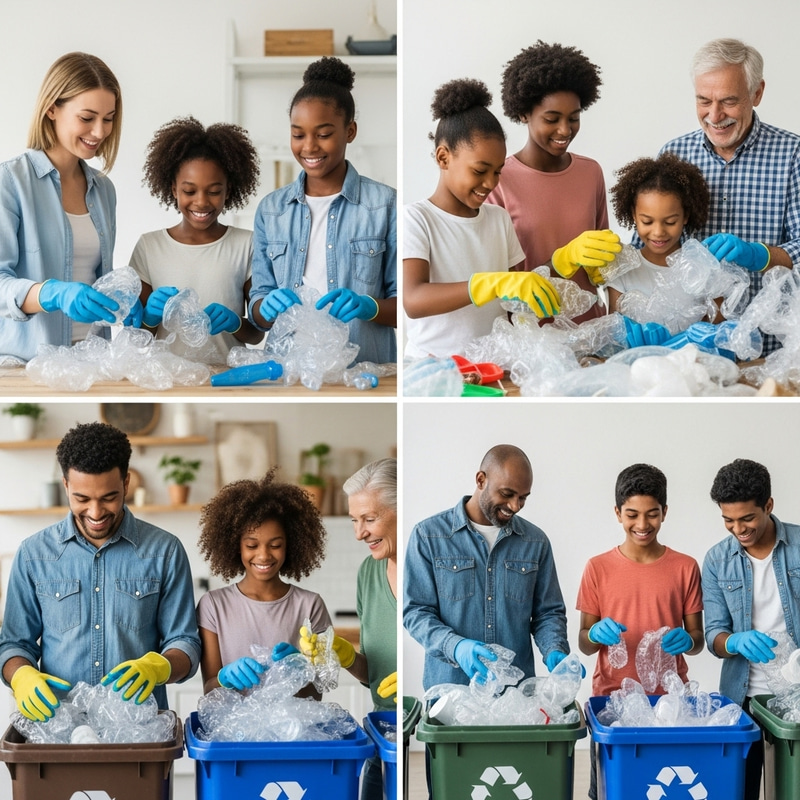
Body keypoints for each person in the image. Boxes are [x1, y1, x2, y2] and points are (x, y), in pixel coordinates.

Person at [0, 422, 200, 719]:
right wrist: (21, 676)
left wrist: (160, 666)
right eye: (82, 498)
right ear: (66, 485)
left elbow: (186, 642)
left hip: (140, 729)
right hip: (59, 727)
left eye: (108, 497)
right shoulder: (33, 555)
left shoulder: (165, 551)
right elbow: (15, 644)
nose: (95, 513)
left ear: (126, 484)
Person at [248, 57, 397, 365]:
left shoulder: (384, 205)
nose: (309, 147)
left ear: (350, 131)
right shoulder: (271, 210)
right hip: (285, 370)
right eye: (298, 134)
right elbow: (258, 317)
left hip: (362, 371)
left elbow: (407, 305)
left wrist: (368, 305)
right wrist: (265, 306)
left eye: (324, 134)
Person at [659, 38, 800, 355]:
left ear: (757, 93)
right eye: (703, 100)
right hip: (687, 347)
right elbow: (648, 244)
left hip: (770, 351)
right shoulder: (674, 155)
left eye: (729, 101)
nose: (714, 114)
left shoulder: (793, 155)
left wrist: (759, 255)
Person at [403, 78, 560, 359]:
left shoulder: (499, 219)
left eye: (498, 171)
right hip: (433, 368)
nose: (490, 183)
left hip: (491, 367)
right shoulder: (417, 219)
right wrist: (487, 284)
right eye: (480, 170)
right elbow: (414, 300)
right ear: (443, 157)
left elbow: (516, 295)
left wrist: (559, 263)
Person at [577, 463, 704, 800]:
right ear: (618, 513)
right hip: (612, 703)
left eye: (652, 514)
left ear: (665, 512)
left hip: (670, 704)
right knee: (610, 790)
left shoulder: (685, 567)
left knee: (664, 788)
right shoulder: (598, 568)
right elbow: (584, 641)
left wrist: (688, 639)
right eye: (632, 514)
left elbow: (698, 640)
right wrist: (594, 634)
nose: (642, 524)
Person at [0, 52, 136, 365]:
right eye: (87, 118)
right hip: (26, 368)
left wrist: (123, 300)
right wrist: (52, 293)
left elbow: (95, 277)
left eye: (109, 118)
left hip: (92, 363)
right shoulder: (10, 182)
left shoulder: (103, 191)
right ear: (51, 108)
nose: (100, 132)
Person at [403, 444, 569, 690]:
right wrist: (455, 646)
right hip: (451, 695)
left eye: (523, 497)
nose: (514, 506)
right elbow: (415, 612)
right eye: (507, 493)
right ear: (481, 479)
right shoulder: (429, 537)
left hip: (515, 699)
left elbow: (548, 614)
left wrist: (554, 649)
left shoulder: (535, 542)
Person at [487, 41, 620, 322]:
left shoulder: (590, 172)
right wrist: (560, 262)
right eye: (552, 118)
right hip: (530, 334)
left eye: (573, 118)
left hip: (591, 328)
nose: (564, 130)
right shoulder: (499, 180)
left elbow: (604, 261)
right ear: (524, 113)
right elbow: (499, 282)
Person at [702, 458, 800, 800]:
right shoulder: (717, 560)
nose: (738, 529)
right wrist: (735, 641)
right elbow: (714, 636)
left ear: (768, 506)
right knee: (738, 790)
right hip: (741, 698)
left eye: (747, 518)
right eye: (728, 520)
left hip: (797, 697)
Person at [130, 116, 264, 365]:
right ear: (173, 189)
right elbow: (137, 340)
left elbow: (256, 334)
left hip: (225, 377)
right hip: (166, 378)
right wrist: (148, 318)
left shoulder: (247, 245)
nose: (201, 202)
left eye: (214, 191)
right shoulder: (149, 247)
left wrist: (235, 324)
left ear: (228, 190)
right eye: (189, 191)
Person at [196, 469, 330, 698]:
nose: (263, 555)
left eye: (275, 545)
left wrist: (298, 673)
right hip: (232, 731)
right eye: (251, 545)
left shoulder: (310, 606)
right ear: (234, 545)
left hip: (293, 730)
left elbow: (317, 694)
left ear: (291, 545)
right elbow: (210, 691)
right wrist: (225, 678)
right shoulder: (213, 605)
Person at [607, 153, 711, 313]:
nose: (658, 232)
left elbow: (714, 329)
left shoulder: (701, 269)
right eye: (647, 222)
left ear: (686, 216)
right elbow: (615, 330)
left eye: (670, 222)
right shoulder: (623, 270)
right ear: (634, 215)